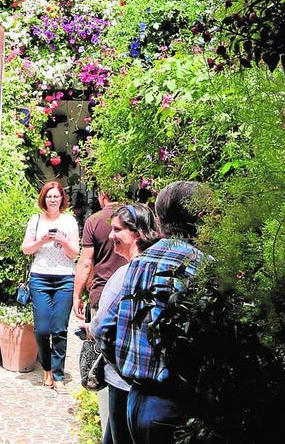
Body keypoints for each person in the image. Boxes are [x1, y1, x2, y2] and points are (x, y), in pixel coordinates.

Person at [95, 181, 208, 444]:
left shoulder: (138, 264)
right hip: (173, 403)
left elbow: (103, 330)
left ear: (160, 220)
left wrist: (130, 371)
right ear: (198, 217)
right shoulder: (200, 264)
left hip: (137, 399)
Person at [86, 202, 161, 444]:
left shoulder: (126, 275)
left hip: (123, 377)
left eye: (118, 230)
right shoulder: (162, 267)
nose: (111, 236)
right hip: (153, 378)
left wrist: (89, 330)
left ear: (136, 233)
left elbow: (101, 328)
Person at [73, 187, 126, 429]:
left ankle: (106, 421)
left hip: (103, 295)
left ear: (103, 196)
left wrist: (76, 294)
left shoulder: (94, 221)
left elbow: (86, 262)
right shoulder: (135, 218)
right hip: (132, 294)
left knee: (103, 358)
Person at [21, 180, 80, 388]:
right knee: (42, 329)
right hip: (40, 277)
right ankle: (46, 367)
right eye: (49, 196)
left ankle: (58, 374)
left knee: (59, 328)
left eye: (56, 196)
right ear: (43, 199)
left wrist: (63, 240)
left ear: (62, 198)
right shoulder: (36, 220)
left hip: (65, 278)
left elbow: (74, 254)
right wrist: (42, 241)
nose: (53, 199)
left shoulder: (70, 221)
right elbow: (26, 249)